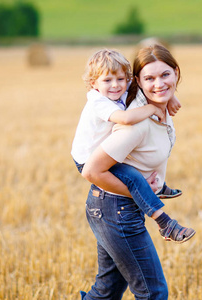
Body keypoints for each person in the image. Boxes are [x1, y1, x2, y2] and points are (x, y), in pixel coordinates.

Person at [79, 44, 195, 299]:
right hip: (115, 208)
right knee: (153, 293)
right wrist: (139, 193)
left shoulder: (158, 105)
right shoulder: (136, 122)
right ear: (139, 82)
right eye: (149, 78)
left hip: (111, 207)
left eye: (165, 75)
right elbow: (91, 171)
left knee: (106, 292)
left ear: (176, 72)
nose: (159, 84)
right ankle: (165, 223)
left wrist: (167, 96)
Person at [71, 49, 191, 241]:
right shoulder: (98, 101)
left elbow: (147, 83)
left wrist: (170, 96)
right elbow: (125, 118)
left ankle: (159, 186)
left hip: (103, 163)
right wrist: (152, 107)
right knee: (135, 179)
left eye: (120, 79)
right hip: (87, 159)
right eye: (107, 80)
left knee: (108, 274)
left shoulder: (122, 88)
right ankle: (166, 224)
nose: (115, 85)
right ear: (93, 84)